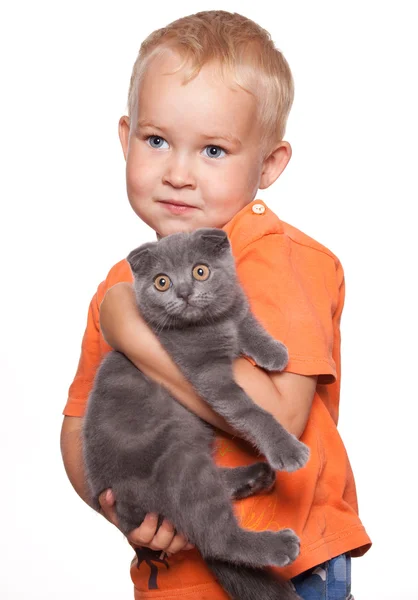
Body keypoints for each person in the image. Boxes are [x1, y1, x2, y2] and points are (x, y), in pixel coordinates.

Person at [60, 10, 371, 600]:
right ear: (125, 139)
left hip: (288, 561)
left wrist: (134, 333)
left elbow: (281, 417)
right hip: (174, 575)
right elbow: (81, 428)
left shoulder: (279, 258)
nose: (179, 173)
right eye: (156, 141)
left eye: (213, 150)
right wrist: (120, 508)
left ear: (269, 164)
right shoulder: (121, 283)